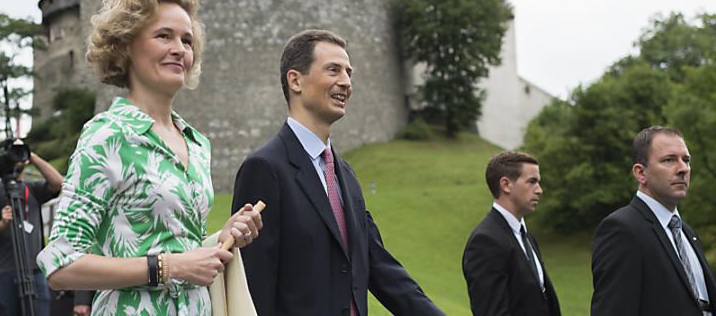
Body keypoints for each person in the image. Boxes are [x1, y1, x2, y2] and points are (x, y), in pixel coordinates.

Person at [37, 0, 263, 315]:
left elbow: (179, 248)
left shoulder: (197, 143)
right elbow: (61, 265)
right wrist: (167, 268)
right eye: (163, 36)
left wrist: (221, 239)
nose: (180, 49)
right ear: (125, 45)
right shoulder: (107, 135)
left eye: (187, 40)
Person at [232, 30, 444, 316]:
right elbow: (255, 288)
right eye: (333, 70)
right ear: (295, 80)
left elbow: (380, 267)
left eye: (348, 72)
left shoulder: (345, 175)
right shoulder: (265, 168)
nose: (345, 82)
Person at [590, 126, 716, 315]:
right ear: (641, 173)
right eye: (669, 160)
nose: (683, 168)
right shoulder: (622, 230)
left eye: (686, 160)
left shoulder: (687, 233)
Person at [462, 151, 561, 316]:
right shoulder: (485, 241)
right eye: (532, 182)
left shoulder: (526, 237)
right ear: (506, 184)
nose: (540, 190)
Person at [0, 144, 63, 316]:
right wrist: (2, 223)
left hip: (34, 270)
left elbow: (58, 183)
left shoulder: (32, 189)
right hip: (2, 272)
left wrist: (30, 155)